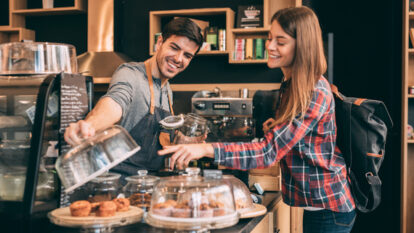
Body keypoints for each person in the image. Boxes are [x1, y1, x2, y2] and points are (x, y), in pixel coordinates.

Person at [158, 6, 356, 233]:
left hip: (329, 209)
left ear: (302, 46)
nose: (270, 47)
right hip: (317, 205)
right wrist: (277, 127)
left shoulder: (312, 91)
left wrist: (205, 149)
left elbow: (267, 152)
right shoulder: (292, 85)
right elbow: (300, 136)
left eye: (280, 42)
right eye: (270, 38)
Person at [64, 17, 203, 176]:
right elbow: (115, 103)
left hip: (148, 183)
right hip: (119, 184)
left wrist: (181, 142)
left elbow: (157, 137)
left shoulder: (167, 91)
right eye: (174, 48)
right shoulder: (130, 74)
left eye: (187, 55)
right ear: (159, 43)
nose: (179, 59)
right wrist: (89, 126)